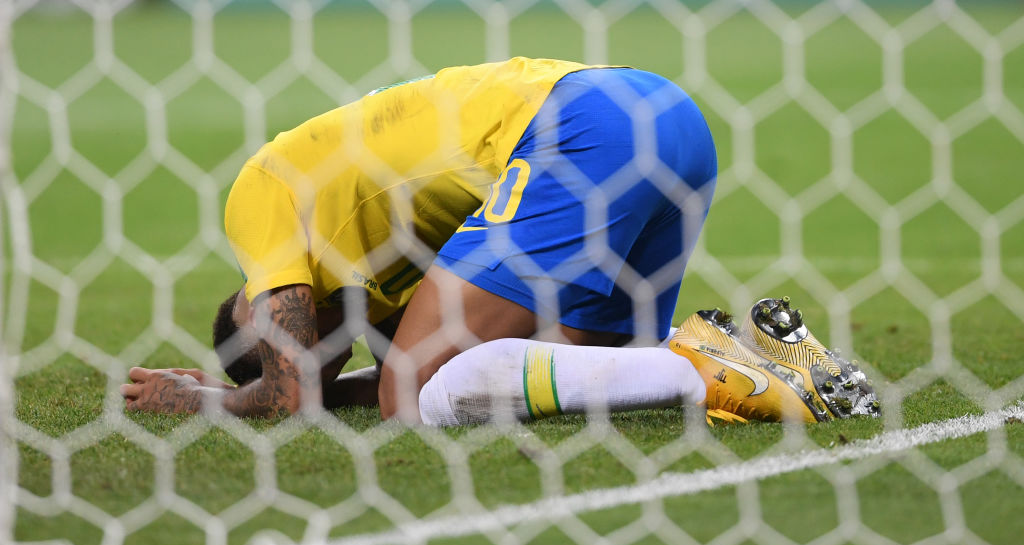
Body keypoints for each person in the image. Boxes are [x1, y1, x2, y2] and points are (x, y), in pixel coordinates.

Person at [121, 57, 723, 424]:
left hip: (577, 127)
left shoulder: (258, 200)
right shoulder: (375, 287)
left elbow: (292, 398)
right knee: (599, 360)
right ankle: (744, 359)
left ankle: (696, 372)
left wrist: (204, 401)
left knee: (404, 398)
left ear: (257, 304)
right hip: (666, 117)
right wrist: (264, 390)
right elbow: (313, 389)